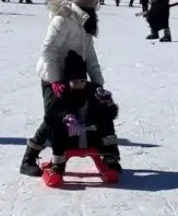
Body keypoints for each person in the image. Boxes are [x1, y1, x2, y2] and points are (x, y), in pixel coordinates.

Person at [22, 0, 104, 176]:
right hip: (53, 75)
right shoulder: (63, 19)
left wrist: (98, 82)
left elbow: (90, 54)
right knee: (54, 116)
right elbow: (48, 50)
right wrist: (55, 80)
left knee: (72, 116)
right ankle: (28, 159)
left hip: (74, 76)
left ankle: (63, 151)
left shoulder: (85, 22)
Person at [37, 51, 122, 185]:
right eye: (75, 81)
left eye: (82, 80)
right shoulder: (62, 93)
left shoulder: (93, 91)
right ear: (68, 80)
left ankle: (110, 157)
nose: (79, 84)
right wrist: (65, 118)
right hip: (69, 139)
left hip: (92, 137)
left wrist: (108, 104)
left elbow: (111, 114)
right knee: (56, 127)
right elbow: (50, 116)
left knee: (106, 122)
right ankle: (58, 165)